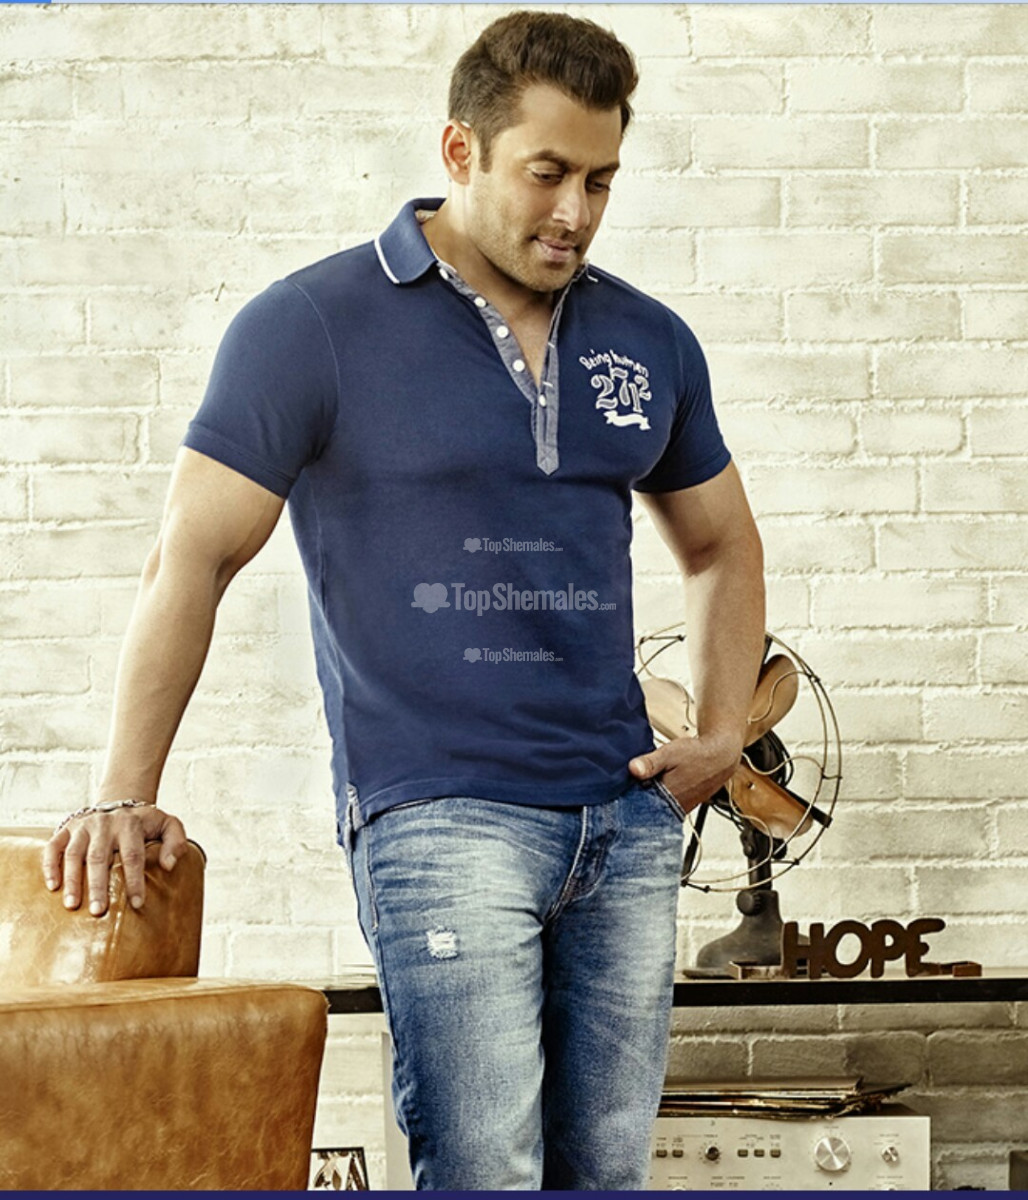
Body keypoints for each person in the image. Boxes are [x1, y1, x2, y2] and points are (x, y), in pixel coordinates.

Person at [42, 10, 765, 1191]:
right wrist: (126, 788)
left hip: (623, 821)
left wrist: (722, 733)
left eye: (599, 180)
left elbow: (721, 543)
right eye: (546, 173)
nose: (574, 212)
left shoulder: (646, 339)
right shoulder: (310, 326)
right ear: (458, 150)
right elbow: (191, 557)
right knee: (481, 1169)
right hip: (437, 818)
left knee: (606, 1174)